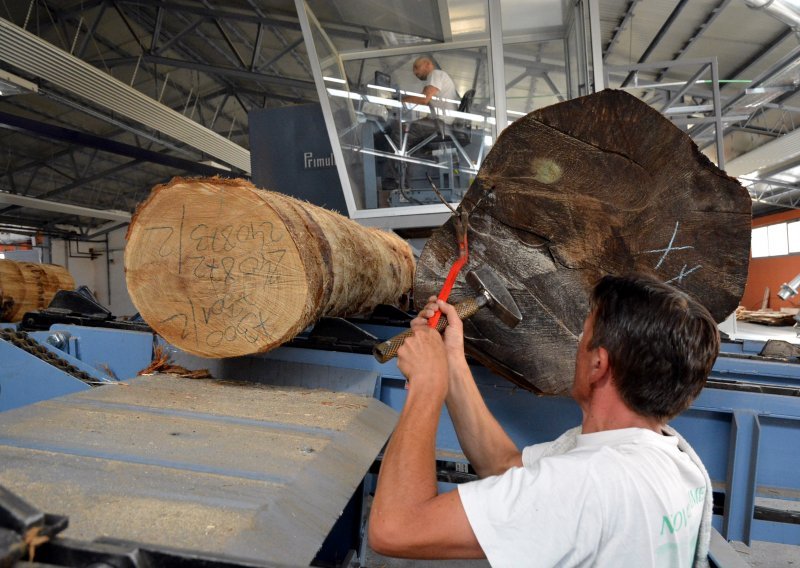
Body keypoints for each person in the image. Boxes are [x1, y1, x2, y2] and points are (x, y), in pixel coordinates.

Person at [368, 273, 718, 567]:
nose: (576, 346)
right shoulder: (662, 458)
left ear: (599, 365)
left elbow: (395, 528)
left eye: (583, 336)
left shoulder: (588, 482)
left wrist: (427, 385)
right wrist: (451, 360)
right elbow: (504, 465)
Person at [399, 56, 459, 151]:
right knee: (410, 128)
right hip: (443, 123)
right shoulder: (438, 78)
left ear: (428, 64)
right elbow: (428, 103)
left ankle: (395, 162)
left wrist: (401, 100)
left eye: (416, 67)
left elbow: (424, 99)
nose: (415, 72)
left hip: (441, 123)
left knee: (401, 131)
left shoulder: (435, 74)